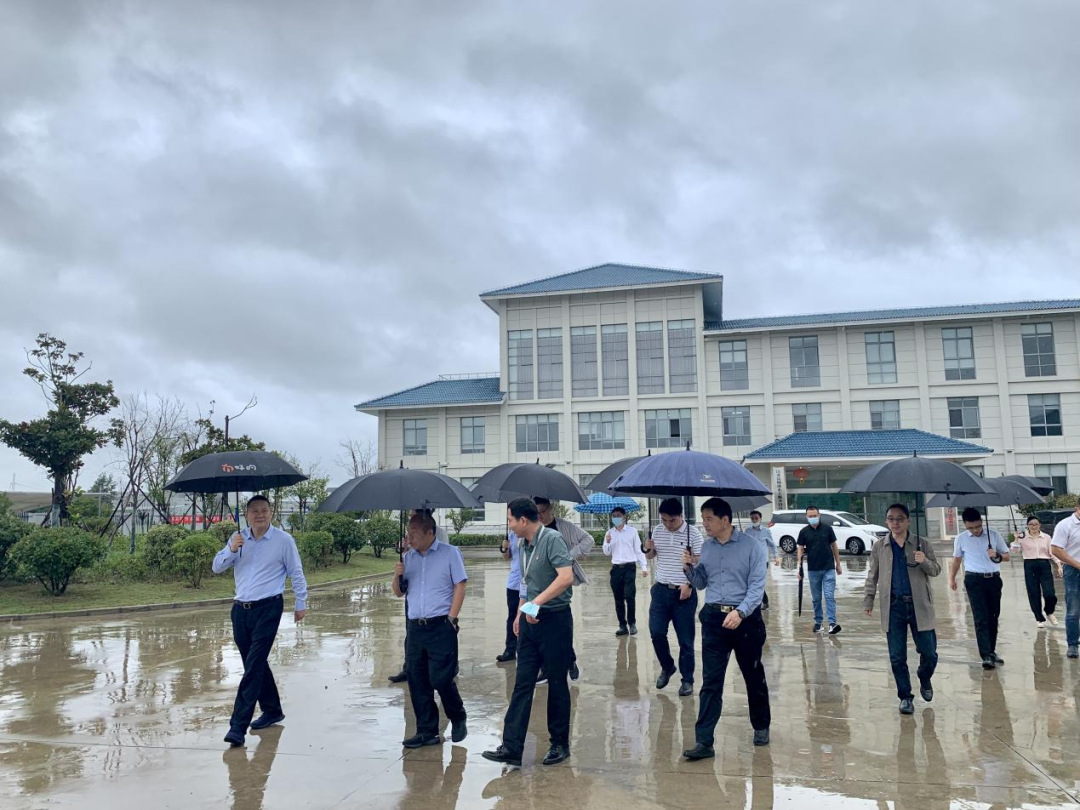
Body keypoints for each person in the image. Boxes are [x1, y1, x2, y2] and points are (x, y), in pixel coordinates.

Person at [483, 498, 575, 768]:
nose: (509, 526)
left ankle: (559, 744)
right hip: (529, 621)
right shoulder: (522, 545)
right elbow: (526, 582)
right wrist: (520, 612)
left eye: (510, 520)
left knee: (556, 682)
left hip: (555, 620)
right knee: (522, 683)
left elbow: (566, 577)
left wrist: (537, 603)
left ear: (524, 520)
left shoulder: (552, 539)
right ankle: (511, 747)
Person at [212, 495, 308, 748]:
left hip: (269, 607)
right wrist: (232, 549)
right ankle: (272, 710)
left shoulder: (283, 541)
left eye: (264, 510)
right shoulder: (238, 538)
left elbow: (296, 571)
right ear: (246, 515)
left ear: (271, 512)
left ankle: (237, 726)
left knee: (253, 666)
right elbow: (216, 567)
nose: (260, 515)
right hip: (240, 610)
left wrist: (301, 602)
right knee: (254, 662)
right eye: (254, 511)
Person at [681, 497, 770, 760]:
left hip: (746, 621)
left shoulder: (752, 547)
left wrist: (740, 612)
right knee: (711, 681)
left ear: (725, 520)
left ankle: (761, 726)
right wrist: (688, 567)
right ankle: (704, 741)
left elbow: (757, 587)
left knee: (753, 676)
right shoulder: (706, 547)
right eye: (703, 519)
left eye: (709, 519)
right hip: (714, 620)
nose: (704, 524)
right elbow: (701, 582)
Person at [391, 512, 468, 748]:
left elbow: (460, 585)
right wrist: (397, 575)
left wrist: (452, 619)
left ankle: (458, 715)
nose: (410, 538)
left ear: (430, 533)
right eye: (408, 533)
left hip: (441, 625)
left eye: (414, 533)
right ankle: (427, 731)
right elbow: (399, 592)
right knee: (417, 680)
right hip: (416, 627)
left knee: (441, 678)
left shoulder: (450, 553)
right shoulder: (408, 558)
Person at [863, 503, 941, 715]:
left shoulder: (921, 544)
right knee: (897, 657)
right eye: (891, 519)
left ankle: (924, 676)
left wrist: (924, 561)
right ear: (886, 521)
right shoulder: (880, 546)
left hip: (919, 605)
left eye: (900, 519)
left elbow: (936, 570)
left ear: (908, 521)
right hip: (893, 606)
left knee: (929, 653)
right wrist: (868, 600)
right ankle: (905, 697)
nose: (895, 523)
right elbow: (872, 575)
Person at [644, 498, 704, 697]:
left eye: (672, 520)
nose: (668, 524)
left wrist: (689, 582)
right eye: (664, 520)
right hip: (660, 590)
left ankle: (687, 680)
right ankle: (667, 666)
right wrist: (648, 548)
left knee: (685, 640)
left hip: (684, 592)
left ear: (681, 516)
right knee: (656, 632)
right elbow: (651, 556)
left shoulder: (693, 534)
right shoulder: (658, 530)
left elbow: (701, 563)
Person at [534, 496, 594, 682]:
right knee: (541, 628)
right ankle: (545, 668)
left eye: (543, 511)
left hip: (561, 581)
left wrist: (568, 556)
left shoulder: (563, 527)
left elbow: (588, 540)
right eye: (536, 513)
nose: (540, 516)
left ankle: (570, 660)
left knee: (560, 626)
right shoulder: (534, 530)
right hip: (539, 583)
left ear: (550, 508)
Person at [949, 506, 1011, 670]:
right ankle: (986, 655)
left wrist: (996, 555)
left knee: (993, 616)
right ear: (964, 524)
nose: (975, 530)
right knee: (980, 617)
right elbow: (956, 560)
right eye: (971, 527)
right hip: (974, 580)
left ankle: (991, 650)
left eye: (977, 526)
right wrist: (952, 578)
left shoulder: (994, 535)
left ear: (982, 521)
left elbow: (1007, 556)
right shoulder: (961, 539)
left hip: (993, 579)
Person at [796, 505, 843, 635]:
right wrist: (799, 567)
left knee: (829, 596)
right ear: (806, 517)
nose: (813, 518)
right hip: (813, 570)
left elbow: (834, 546)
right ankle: (818, 623)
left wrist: (838, 564)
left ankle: (832, 623)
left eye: (815, 516)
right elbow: (800, 549)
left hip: (828, 568)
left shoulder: (828, 529)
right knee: (816, 598)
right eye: (810, 516)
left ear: (819, 515)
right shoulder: (804, 532)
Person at [602, 506, 649, 636]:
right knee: (618, 598)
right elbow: (606, 552)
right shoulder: (609, 533)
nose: (616, 518)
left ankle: (632, 623)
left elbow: (638, 550)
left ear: (624, 516)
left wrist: (644, 567)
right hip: (616, 568)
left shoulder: (632, 532)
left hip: (629, 567)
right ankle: (622, 625)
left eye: (618, 515)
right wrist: (607, 542)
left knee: (629, 595)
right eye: (614, 516)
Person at [1013, 516, 1063, 628]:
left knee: (1049, 593)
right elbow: (1014, 550)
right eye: (1031, 524)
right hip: (1030, 565)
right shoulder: (1023, 537)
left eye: (1036, 524)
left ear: (1040, 525)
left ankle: (1049, 611)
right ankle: (1039, 618)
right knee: (1033, 593)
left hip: (1044, 565)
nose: (1034, 526)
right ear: (1027, 526)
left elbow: (1052, 552)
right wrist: (1016, 539)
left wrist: (1059, 565)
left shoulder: (1046, 537)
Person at [1051, 498, 1080, 659]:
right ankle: (1073, 644)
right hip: (1073, 571)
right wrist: (1077, 565)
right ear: (1077, 508)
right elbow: (1056, 549)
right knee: (1074, 609)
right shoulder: (1065, 525)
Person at [495, 530, 522, 663]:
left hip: (532, 582)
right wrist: (504, 548)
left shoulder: (534, 532)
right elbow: (507, 557)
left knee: (531, 616)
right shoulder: (511, 534)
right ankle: (510, 650)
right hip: (514, 583)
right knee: (512, 617)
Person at [744, 510, 780, 608]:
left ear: (760, 519)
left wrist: (776, 557)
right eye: (752, 518)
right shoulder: (747, 531)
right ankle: (764, 600)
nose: (754, 520)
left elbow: (772, 545)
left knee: (759, 582)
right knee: (752, 582)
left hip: (763, 562)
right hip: (750, 561)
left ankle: (759, 603)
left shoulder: (766, 531)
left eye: (756, 518)